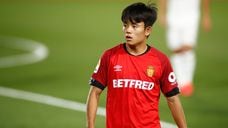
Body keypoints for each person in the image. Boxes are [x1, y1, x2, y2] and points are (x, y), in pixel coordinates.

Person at [86, 2, 187, 128]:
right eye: (125, 25)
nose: (128, 30)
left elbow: (172, 99)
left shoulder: (161, 61)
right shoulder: (110, 57)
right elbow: (94, 92)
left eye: (134, 26)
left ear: (147, 30)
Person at [158, 0, 212, 96]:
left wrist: (206, 16)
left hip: (191, 16)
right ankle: (178, 82)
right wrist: (162, 13)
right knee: (176, 49)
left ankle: (187, 82)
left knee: (188, 47)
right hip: (173, 15)